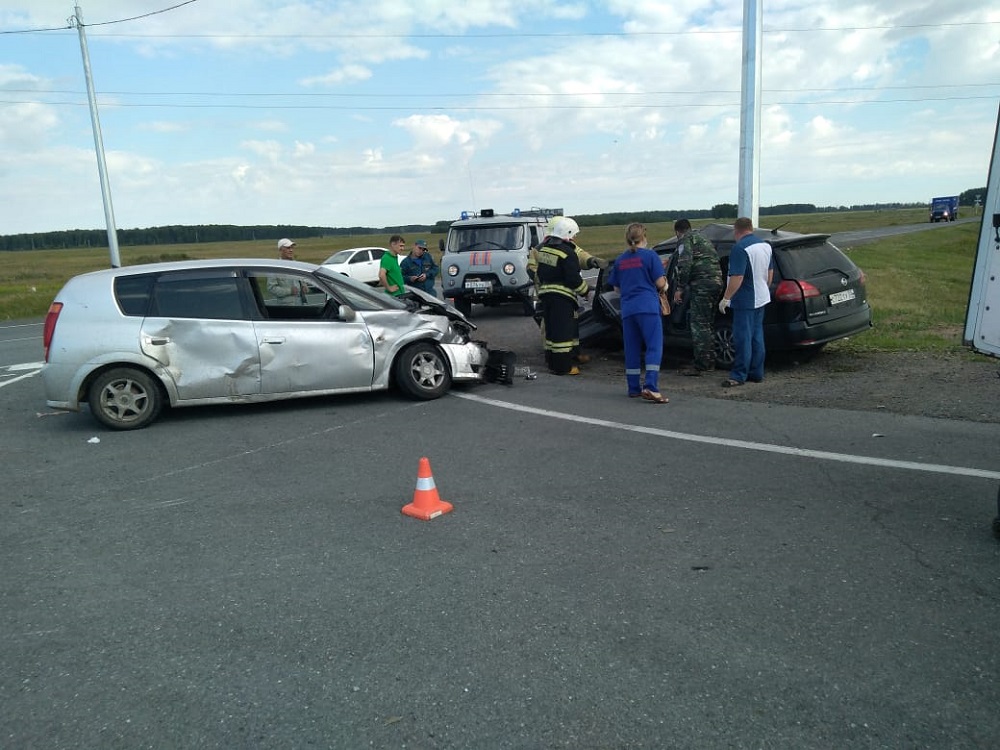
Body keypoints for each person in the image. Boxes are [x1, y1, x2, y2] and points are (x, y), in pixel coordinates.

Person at [527, 216, 606, 365]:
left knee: (571, 326)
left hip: (566, 295)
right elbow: (531, 270)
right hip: (551, 295)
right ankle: (555, 359)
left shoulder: (564, 245)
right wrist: (552, 276)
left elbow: (580, 254)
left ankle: (573, 355)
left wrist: (591, 260)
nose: (574, 238)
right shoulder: (539, 250)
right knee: (553, 329)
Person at [608, 222, 669, 402]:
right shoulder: (650, 256)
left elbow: (616, 288)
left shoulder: (620, 259)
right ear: (644, 236)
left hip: (628, 309)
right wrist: (666, 284)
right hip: (648, 307)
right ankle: (650, 386)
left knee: (632, 348)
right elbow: (660, 283)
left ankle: (633, 387)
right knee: (654, 346)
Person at [718, 217, 774, 387]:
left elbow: (737, 276)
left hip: (745, 299)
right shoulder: (765, 245)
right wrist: (764, 287)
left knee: (743, 338)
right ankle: (756, 372)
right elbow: (769, 273)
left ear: (737, 230)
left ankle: (738, 375)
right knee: (757, 336)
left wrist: (726, 298)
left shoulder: (740, 248)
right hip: (762, 296)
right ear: (751, 228)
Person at [534, 217, 590, 375]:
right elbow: (573, 279)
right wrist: (586, 291)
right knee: (562, 334)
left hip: (546, 295)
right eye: (573, 235)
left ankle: (553, 363)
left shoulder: (545, 250)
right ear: (568, 233)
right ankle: (563, 367)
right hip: (562, 297)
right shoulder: (568, 253)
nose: (574, 238)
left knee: (552, 332)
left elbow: (539, 272)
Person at [672, 219, 723, 375]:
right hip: (716, 282)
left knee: (699, 324)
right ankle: (709, 360)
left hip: (702, 284)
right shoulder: (702, 238)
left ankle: (702, 364)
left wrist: (679, 288)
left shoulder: (685, 240)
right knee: (707, 324)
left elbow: (685, 265)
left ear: (677, 232)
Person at [267, 238, 307, 303]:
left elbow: (302, 281)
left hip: (300, 304)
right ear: (280, 250)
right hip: (286, 307)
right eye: (288, 248)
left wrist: (304, 287)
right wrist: (289, 291)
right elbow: (271, 288)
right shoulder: (275, 268)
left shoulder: (297, 265)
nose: (291, 250)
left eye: (292, 248)